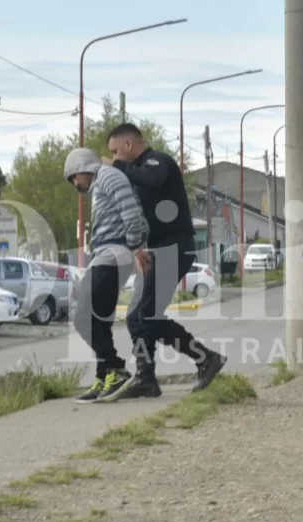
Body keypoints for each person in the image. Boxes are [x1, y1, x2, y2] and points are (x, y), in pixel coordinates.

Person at [100, 123, 226, 399]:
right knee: (136, 317)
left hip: (175, 247)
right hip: (157, 250)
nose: (114, 157)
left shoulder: (159, 161)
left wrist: (118, 167)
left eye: (115, 151)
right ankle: (146, 378)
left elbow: (153, 178)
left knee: (148, 316)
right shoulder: (136, 173)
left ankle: (205, 358)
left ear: (129, 145)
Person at [63, 147, 148, 403]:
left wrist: (134, 247)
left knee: (83, 315)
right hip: (106, 254)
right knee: (97, 319)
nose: (76, 184)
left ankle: (114, 368)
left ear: (81, 169)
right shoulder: (101, 183)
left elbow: (131, 214)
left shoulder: (109, 177)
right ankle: (104, 374)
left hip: (114, 254)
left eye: (73, 178)